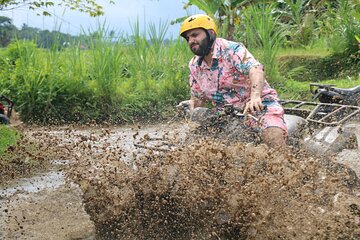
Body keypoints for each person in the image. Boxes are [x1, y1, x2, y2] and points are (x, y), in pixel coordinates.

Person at [178, 14, 287, 148]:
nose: (191, 41)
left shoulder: (232, 50)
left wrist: (255, 97)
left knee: (273, 136)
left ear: (210, 33)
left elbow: (256, 69)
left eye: (195, 35)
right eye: (188, 38)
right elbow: (199, 99)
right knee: (192, 140)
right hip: (225, 113)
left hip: (258, 105)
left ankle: (285, 164)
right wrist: (191, 104)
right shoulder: (195, 65)